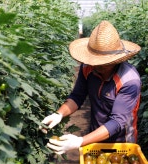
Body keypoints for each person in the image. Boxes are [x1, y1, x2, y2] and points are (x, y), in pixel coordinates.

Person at [40, 20, 141, 155]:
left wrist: (79, 141)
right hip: (95, 136)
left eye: (103, 63)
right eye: (94, 61)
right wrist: (59, 114)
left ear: (115, 60)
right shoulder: (88, 67)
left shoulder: (129, 81)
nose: (96, 65)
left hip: (122, 143)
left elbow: (117, 122)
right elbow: (77, 96)